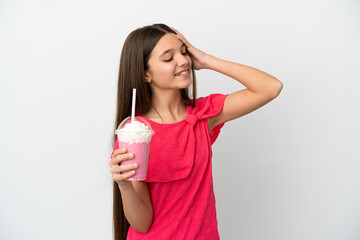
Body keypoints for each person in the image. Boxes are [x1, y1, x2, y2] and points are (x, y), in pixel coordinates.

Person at [109, 23, 283, 240]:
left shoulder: (203, 115)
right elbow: (142, 224)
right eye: (168, 58)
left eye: (184, 53)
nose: (183, 61)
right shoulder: (135, 132)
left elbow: (270, 87)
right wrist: (124, 187)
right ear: (146, 74)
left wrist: (208, 60)